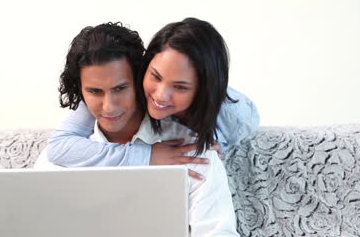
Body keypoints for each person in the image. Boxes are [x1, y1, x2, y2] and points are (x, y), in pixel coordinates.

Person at [35, 22, 239, 236]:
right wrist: (146, 156)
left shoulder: (192, 151)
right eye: (95, 91)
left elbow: (218, 232)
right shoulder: (57, 158)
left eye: (120, 88)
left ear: (139, 79)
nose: (109, 106)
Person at [46, 18, 259, 180]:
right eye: (156, 76)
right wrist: (146, 157)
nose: (159, 95)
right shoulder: (116, 85)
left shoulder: (235, 117)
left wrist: (216, 145)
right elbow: (59, 147)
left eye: (180, 87)